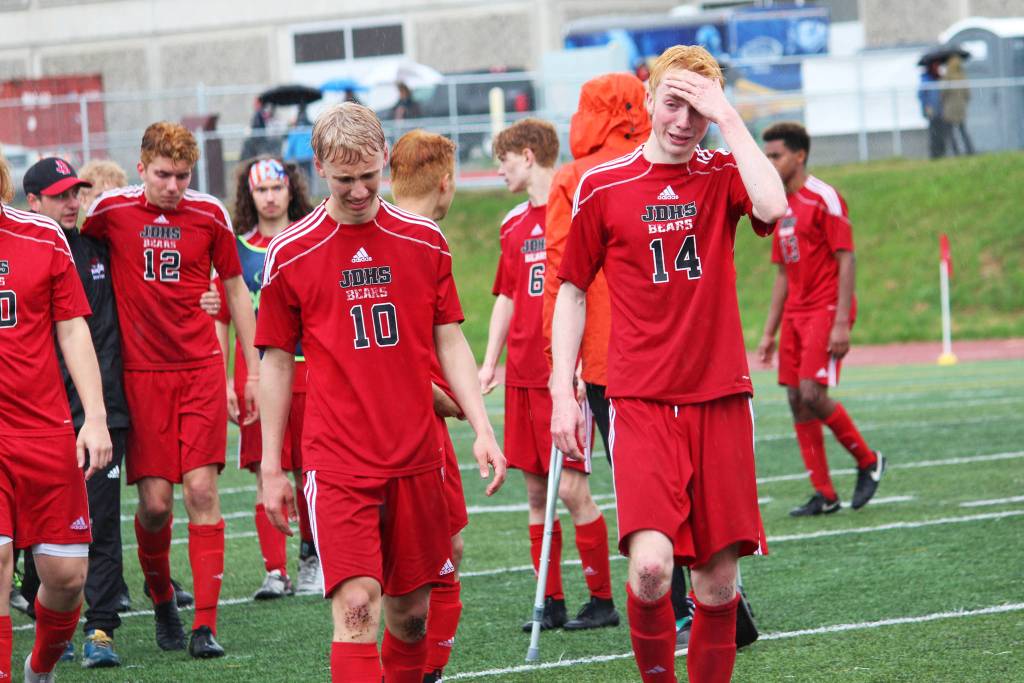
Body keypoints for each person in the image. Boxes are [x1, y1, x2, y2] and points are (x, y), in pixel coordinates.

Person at [551, 45, 788, 682]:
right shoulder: (602, 186)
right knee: (653, 569)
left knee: (717, 584)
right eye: (674, 103)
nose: (685, 121)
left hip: (720, 399)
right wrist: (561, 394)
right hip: (641, 400)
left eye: (699, 110)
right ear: (649, 100)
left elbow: (772, 208)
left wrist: (730, 118)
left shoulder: (720, 171)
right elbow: (571, 290)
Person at [255, 102, 506, 682]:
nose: (359, 189)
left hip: (417, 455)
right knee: (357, 606)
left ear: (385, 159)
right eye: (345, 179)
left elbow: (450, 342)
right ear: (319, 168)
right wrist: (273, 465)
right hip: (338, 459)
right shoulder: (289, 251)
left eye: (369, 175)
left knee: (412, 616)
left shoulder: (424, 240)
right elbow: (274, 363)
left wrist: (484, 429)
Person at [82, 121, 261, 659]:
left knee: (203, 492)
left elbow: (235, 289)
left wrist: (249, 372)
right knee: (156, 506)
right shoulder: (110, 211)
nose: (173, 186)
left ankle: (205, 626)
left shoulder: (209, 214)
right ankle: (161, 596)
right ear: (142, 168)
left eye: (183, 176)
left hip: (200, 370)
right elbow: (70, 244)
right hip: (141, 377)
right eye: (163, 175)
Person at [479, 118, 619, 635]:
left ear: (530, 155)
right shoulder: (512, 222)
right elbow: (507, 296)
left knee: (573, 489)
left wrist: (581, 361)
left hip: (561, 374)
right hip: (521, 374)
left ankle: (601, 599)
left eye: (505, 159)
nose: (499, 170)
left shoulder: (580, 201)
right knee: (537, 493)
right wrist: (490, 361)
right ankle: (552, 602)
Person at [0, 151, 113, 682]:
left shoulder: (42, 238)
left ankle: (39, 667)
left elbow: (72, 329)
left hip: (45, 430)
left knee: (67, 576)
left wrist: (94, 418)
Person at [756, 122, 887, 517]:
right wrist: (768, 332)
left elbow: (846, 257)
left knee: (813, 393)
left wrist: (842, 321)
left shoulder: (825, 197)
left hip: (825, 310)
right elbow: (782, 274)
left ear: (799, 155)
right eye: (767, 156)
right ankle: (825, 494)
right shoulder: (779, 205)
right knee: (797, 400)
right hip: (796, 314)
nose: (770, 162)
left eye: (776, 155)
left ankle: (868, 460)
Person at [213, 157, 321, 599]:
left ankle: (312, 556)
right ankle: (276, 570)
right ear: (250, 196)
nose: (271, 197)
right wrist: (224, 381)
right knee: (265, 469)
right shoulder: (237, 250)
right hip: (256, 375)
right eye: (262, 190)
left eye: (278, 188)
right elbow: (222, 318)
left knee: (311, 471)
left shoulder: (312, 238)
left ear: (290, 190)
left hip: (310, 372)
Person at [388, 128, 469, 683]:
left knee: (445, 549)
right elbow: (390, 357)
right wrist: (444, 397)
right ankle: (426, 670)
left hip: (415, 419)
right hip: (409, 426)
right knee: (430, 558)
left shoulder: (410, 236)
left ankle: (425, 666)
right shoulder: (414, 241)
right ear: (445, 183)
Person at [941, 55, 974, 156]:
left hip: (949, 108)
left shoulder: (947, 78)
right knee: (963, 130)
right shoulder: (962, 77)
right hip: (961, 108)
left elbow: (943, 93)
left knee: (951, 132)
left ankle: (956, 151)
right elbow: (968, 94)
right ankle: (970, 150)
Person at [919, 60, 946, 159]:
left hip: (939, 111)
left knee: (940, 133)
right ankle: (935, 154)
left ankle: (941, 153)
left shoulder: (937, 79)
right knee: (934, 133)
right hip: (932, 111)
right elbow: (922, 95)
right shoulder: (926, 79)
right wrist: (927, 107)